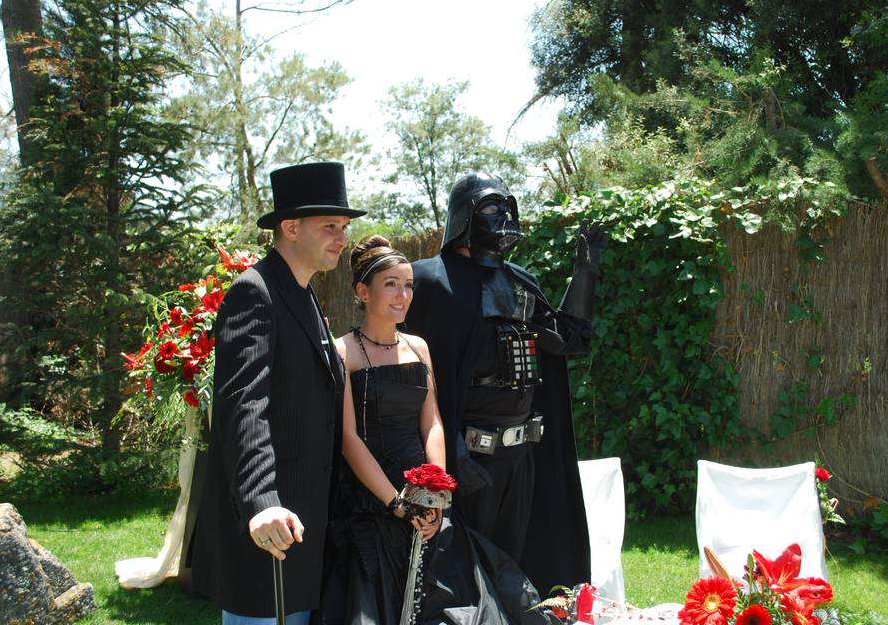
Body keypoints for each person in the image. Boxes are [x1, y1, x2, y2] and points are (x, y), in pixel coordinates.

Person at [325, 235, 547, 625]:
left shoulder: (419, 347)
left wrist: (436, 493)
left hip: (424, 494)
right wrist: (396, 503)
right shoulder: (343, 352)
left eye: (408, 284)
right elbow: (347, 438)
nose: (403, 295)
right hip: (372, 496)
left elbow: (433, 422)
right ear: (363, 291)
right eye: (391, 284)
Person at [404, 172, 607, 596]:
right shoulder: (426, 281)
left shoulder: (519, 280)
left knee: (515, 571)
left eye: (509, 207)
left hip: (521, 458)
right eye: (493, 207)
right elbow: (409, 375)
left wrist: (585, 273)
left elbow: (567, 340)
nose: (506, 217)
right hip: (464, 459)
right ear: (465, 214)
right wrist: (450, 454)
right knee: (459, 580)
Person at [190, 162, 365, 624]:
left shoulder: (303, 294)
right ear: (290, 227)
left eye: (344, 227)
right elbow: (243, 406)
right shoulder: (255, 293)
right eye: (330, 226)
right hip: (268, 527)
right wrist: (262, 503)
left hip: (304, 524)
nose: (341, 238)